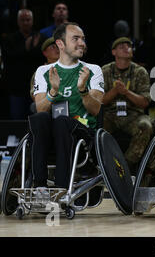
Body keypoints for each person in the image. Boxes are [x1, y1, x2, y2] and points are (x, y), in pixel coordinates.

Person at [30, 22, 104, 190]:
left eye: (83, 39)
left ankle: (61, 187)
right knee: (40, 118)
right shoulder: (44, 71)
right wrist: (53, 91)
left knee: (62, 121)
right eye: (76, 39)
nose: (82, 43)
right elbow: (41, 108)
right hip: (52, 133)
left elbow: (95, 109)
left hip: (81, 133)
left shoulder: (92, 70)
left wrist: (83, 90)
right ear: (60, 44)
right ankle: (39, 186)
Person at [101, 37, 154, 173]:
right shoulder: (104, 71)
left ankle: (123, 166)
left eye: (129, 46)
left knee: (146, 126)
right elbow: (99, 101)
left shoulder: (140, 71)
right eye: (121, 46)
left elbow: (144, 103)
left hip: (133, 114)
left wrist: (126, 92)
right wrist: (114, 91)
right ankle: (99, 167)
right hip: (110, 114)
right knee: (94, 126)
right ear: (113, 52)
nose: (126, 48)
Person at [1, 9, 42, 119]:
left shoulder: (39, 37)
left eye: (28, 20)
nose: (25, 23)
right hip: (16, 87)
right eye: (22, 20)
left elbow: (42, 58)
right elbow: (9, 58)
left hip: (36, 87)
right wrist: (27, 49)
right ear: (18, 22)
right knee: (17, 118)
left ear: (32, 21)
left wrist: (30, 50)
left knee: (36, 118)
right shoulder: (9, 39)